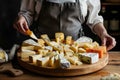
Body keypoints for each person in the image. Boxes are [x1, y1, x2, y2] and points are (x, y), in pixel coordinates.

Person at [13, 0, 116, 50]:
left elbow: (93, 19)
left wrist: (103, 33)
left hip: (76, 50)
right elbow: (27, 12)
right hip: (41, 50)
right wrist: (23, 19)